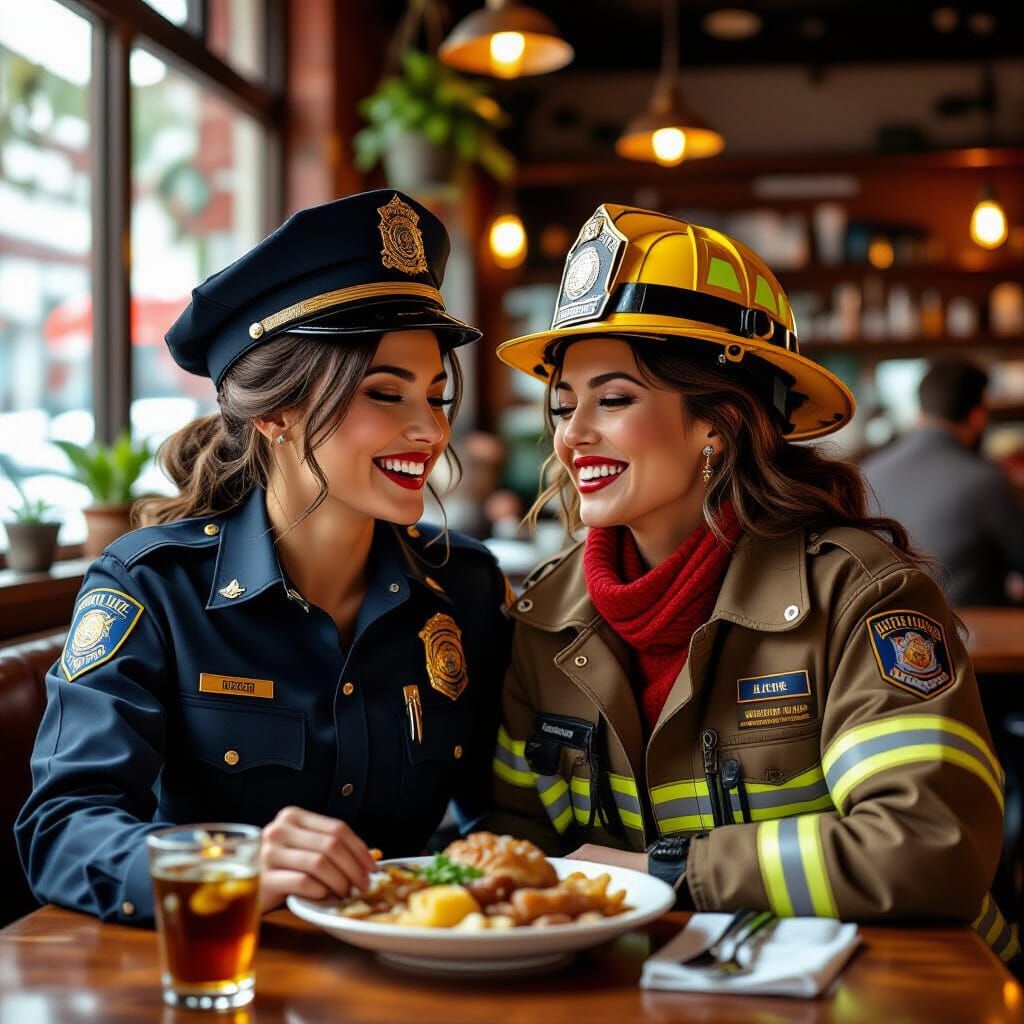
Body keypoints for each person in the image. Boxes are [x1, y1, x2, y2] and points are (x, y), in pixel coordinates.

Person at [486, 204, 1016, 962]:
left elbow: (931, 846)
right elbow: (519, 848)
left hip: (906, 987)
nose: (572, 436)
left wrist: (667, 873)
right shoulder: (544, 617)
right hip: (654, 993)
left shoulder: (862, 595)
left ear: (719, 423)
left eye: (614, 399)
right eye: (565, 406)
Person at [16, 190, 510, 924]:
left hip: (416, 966)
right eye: (386, 393)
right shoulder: (151, 587)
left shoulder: (465, 587)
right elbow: (61, 829)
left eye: (436, 397)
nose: (430, 431)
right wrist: (230, 864)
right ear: (275, 413)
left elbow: (503, 818)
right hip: (229, 964)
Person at [862, 359, 1024, 606]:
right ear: (977, 417)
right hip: (969, 627)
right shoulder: (985, 481)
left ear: (919, 413)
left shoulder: (868, 472)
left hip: (881, 623)